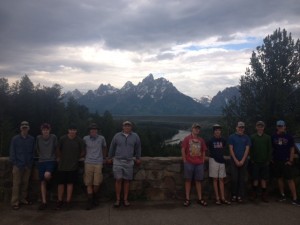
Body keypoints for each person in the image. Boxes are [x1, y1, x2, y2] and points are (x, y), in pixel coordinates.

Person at [107, 121, 141, 207]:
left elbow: (138, 147)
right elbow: (112, 147)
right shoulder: (117, 136)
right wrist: (109, 157)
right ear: (122, 127)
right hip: (118, 161)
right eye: (125, 126)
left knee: (126, 181)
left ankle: (125, 199)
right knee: (118, 180)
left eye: (128, 126)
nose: (127, 127)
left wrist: (138, 157)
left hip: (129, 161)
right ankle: (118, 200)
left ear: (131, 127)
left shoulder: (135, 136)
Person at [55, 124, 85, 210]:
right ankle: (59, 201)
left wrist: (77, 158)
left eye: (74, 130)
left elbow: (83, 151)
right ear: (68, 130)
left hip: (73, 166)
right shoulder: (63, 138)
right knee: (60, 184)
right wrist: (60, 157)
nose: (72, 131)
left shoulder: (79, 140)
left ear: (76, 131)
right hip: (62, 165)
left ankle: (68, 201)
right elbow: (57, 148)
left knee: (70, 184)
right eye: (71, 130)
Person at [271, 120, 300, 205]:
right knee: (279, 178)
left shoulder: (289, 137)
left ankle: (295, 198)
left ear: (285, 127)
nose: (280, 128)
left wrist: (290, 160)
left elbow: (292, 149)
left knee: (290, 179)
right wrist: (271, 158)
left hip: (286, 161)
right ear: (277, 127)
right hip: (277, 161)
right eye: (279, 126)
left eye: (282, 126)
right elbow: (271, 148)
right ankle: (282, 195)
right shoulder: (273, 136)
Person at [9, 121, 35, 210]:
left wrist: (30, 163)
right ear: (20, 128)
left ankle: (23, 199)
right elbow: (12, 153)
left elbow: (33, 152)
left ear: (28, 128)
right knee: (16, 184)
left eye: (26, 127)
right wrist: (15, 163)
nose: (24, 128)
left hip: (27, 165)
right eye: (23, 127)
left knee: (25, 183)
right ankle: (15, 202)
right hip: (18, 165)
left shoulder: (31, 139)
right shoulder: (15, 139)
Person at [181, 123, 207, 207]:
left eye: (198, 128)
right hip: (189, 163)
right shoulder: (187, 138)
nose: (197, 129)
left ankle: (200, 199)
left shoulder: (201, 140)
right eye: (195, 128)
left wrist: (202, 161)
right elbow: (183, 149)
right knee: (188, 180)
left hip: (199, 164)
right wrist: (185, 161)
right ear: (192, 129)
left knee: (198, 181)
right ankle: (187, 199)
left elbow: (203, 151)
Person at [83, 123, 107, 210]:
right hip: (88, 162)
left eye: (95, 129)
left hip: (98, 162)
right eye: (92, 129)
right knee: (88, 182)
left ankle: (93, 197)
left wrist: (104, 158)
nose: (93, 131)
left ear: (97, 130)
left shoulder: (101, 138)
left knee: (97, 183)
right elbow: (83, 149)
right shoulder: (85, 138)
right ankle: (91, 200)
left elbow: (104, 147)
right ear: (89, 131)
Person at [36, 123, 58, 210]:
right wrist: (41, 155)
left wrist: (57, 157)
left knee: (47, 175)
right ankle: (44, 202)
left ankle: (49, 182)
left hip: (51, 160)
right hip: (41, 161)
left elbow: (56, 148)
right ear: (41, 131)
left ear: (49, 130)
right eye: (44, 129)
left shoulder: (53, 137)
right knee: (42, 182)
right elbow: (36, 148)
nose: (45, 131)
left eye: (47, 129)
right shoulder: (38, 138)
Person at [208, 124, 231, 205]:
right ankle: (217, 198)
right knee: (215, 179)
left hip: (221, 161)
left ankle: (223, 198)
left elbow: (224, 147)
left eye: (219, 130)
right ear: (214, 132)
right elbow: (209, 149)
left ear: (220, 131)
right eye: (216, 130)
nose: (218, 131)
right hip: (213, 160)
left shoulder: (223, 140)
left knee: (221, 179)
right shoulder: (210, 140)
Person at [228, 121, 251, 203]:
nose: (241, 129)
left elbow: (247, 149)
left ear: (244, 129)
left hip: (243, 161)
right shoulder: (231, 137)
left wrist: (242, 160)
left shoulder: (247, 137)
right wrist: (236, 160)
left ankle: (240, 196)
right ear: (236, 128)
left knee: (242, 179)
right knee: (234, 179)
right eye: (239, 127)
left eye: (242, 127)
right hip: (234, 161)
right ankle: (234, 195)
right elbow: (231, 149)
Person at [249, 121, 272, 202]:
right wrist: (252, 159)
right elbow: (250, 149)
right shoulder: (252, 137)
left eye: (261, 126)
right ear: (256, 127)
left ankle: (264, 195)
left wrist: (268, 160)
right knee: (255, 179)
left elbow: (270, 150)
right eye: (258, 126)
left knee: (263, 179)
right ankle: (254, 194)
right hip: (255, 162)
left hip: (264, 162)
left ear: (264, 127)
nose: (260, 128)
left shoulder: (267, 137)